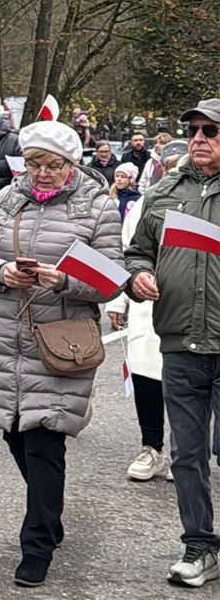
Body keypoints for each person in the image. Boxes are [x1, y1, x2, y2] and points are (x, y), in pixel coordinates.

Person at [0, 121, 122, 586]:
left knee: (43, 438)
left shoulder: (97, 207)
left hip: (61, 342)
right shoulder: (7, 198)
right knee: (15, 433)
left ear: (71, 165)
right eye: (35, 164)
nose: (43, 173)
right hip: (6, 338)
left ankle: (36, 546)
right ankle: (49, 520)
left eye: (54, 165)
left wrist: (65, 281)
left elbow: (110, 278)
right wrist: (2, 271)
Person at [123, 97, 220, 589]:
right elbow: (137, 250)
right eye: (194, 131)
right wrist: (137, 276)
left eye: (211, 131)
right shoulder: (165, 189)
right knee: (186, 453)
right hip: (181, 338)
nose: (200, 139)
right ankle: (199, 545)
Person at [107, 179, 170, 484]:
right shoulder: (152, 200)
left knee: (196, 383)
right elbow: (128, 251)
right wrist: (118, 301)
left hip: (203, 305)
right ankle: (152, 447)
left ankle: (187, 451)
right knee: (146, 373)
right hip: (148, 300)